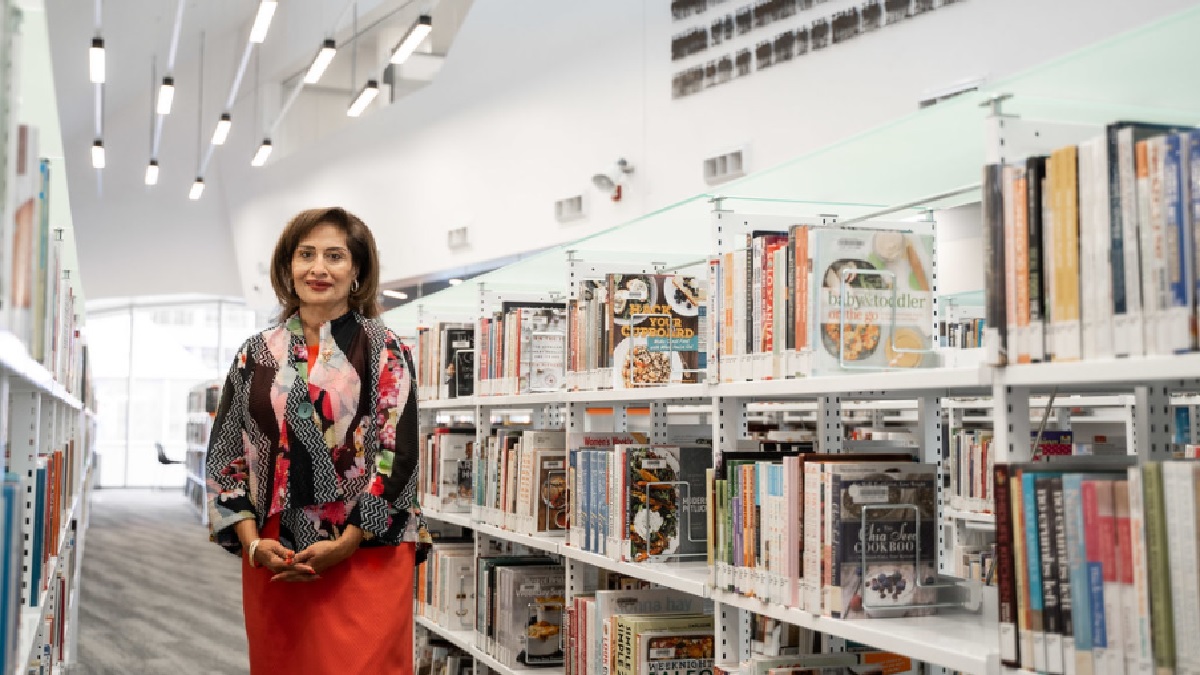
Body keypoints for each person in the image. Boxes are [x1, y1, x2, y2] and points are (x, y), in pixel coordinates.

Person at [205, 206, 427, 674]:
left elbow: (397, 455)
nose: (318, 268)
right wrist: (252, 544)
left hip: (366, 550)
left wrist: (346, 543)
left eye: (335, 256)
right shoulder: (254, 355)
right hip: (276, 554)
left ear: (357, 269)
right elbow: (226, 457)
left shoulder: (384, 348)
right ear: (288, 267)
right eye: (306, 254)